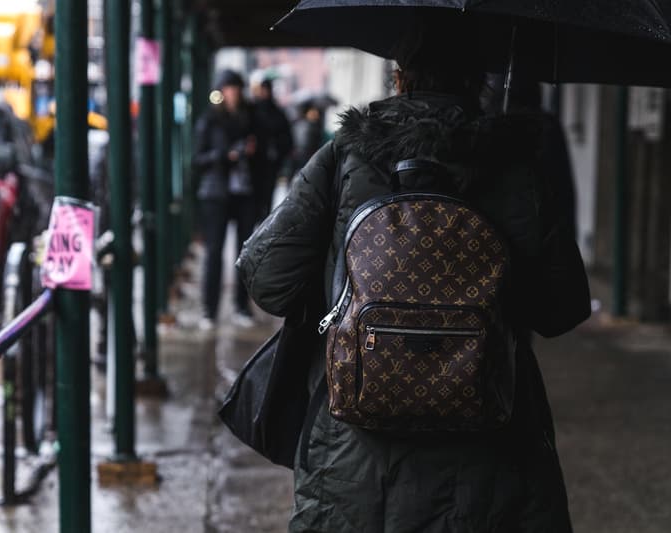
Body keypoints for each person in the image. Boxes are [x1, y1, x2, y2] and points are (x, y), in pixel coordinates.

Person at [236, 12, 590, 533]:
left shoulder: (346, 156)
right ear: (479, 79)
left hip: (352, 454)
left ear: (400, 75)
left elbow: (266, 278)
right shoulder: (516, 168)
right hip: (491, 453)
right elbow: (563, 308)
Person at [193, 70, 258, 330]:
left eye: (236, 88)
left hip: (243, 192)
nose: (233, 93)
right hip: (216, 193)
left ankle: (241, 307)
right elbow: (197, 159)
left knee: (245, 252)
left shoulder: (249, 118)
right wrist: (224, 155)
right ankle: (209, 310)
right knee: (214, 253)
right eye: (229, 88)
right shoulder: (209, 120)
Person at [251, 77, 293, 221]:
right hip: (258, 163)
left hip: (268, 163)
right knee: (259, 199)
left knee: (265, 198)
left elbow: (287, 139)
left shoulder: (260, 111)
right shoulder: (257, 110)